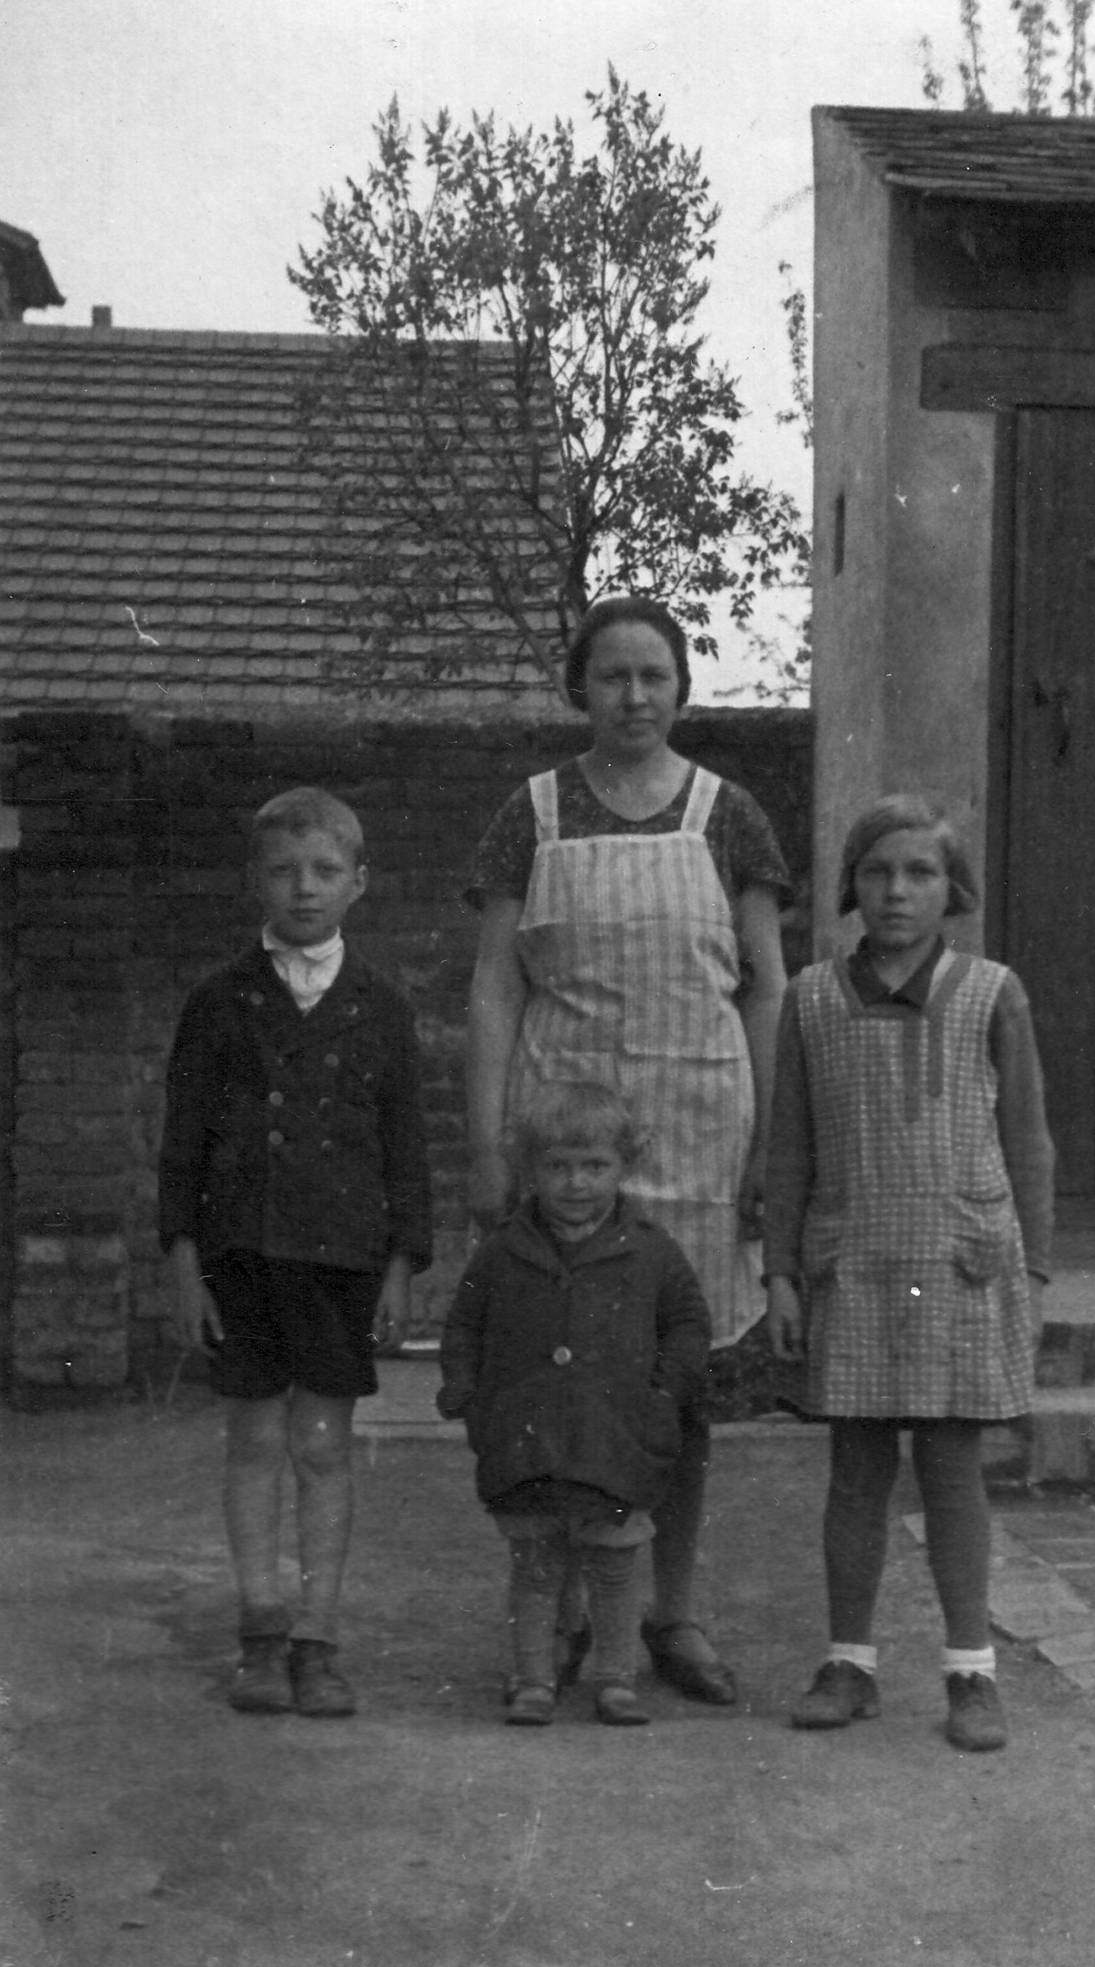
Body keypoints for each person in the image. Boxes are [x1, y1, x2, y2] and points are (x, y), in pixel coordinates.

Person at [465, 595, 790, 1704]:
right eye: (613, 676)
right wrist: (488, 1147)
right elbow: (494, 986)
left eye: (655, 675)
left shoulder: (728, 814)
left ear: (681, 687)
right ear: (581, 688)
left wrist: (768, 1148)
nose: (635, 696)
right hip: (566, 1147)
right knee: (564, 1380)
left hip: (701, 1141)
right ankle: (565, 1613)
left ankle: (671, 1612)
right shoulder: (531, 814)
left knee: (673, 1390)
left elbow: (766, 987)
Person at [764, 794, 1054, 1753]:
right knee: (855, 1472)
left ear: (950, 889)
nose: (896, 891)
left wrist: (1033, 1272)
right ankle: (849, 1663)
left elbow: (1028, 1142)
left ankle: (971, 1672)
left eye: (919, 873)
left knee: (950, 1467)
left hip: (959, 1265)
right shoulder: (811, 998)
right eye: (877, 872)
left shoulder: (991, 992)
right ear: (851, 884)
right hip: (852, 1263)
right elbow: (789, 1150)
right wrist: (780, 1272)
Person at [159, 787, 432, 1718]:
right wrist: (182, 1261)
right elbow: (182, 1145)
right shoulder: (218, 1001)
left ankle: (317, 1638)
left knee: (323, 1446)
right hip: (241, 1254)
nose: (304, 889)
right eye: (283, 871)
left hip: (340, 1261)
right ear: (254, 882)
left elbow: (405, 1148)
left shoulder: (382, 1008)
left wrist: (401, 1264)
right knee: (253, 1443)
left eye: (324, 871)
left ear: (360, 882)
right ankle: (260, 1632)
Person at [438, 1081, 711, 1726]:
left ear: (625, 1166)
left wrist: (662, 1395)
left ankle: (616, 1679)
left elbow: (688, 1324)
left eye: (595, 1166)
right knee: (535, 1566)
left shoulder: (650, 1250)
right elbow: (465, 1326)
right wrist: (470, 1399)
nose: (576, 1183)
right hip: (526, 1439)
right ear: (530, 1168)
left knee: (614, 1563)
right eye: (558, 1166)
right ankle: (533, 1679)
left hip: (615, 1440)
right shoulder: (502, 1251)